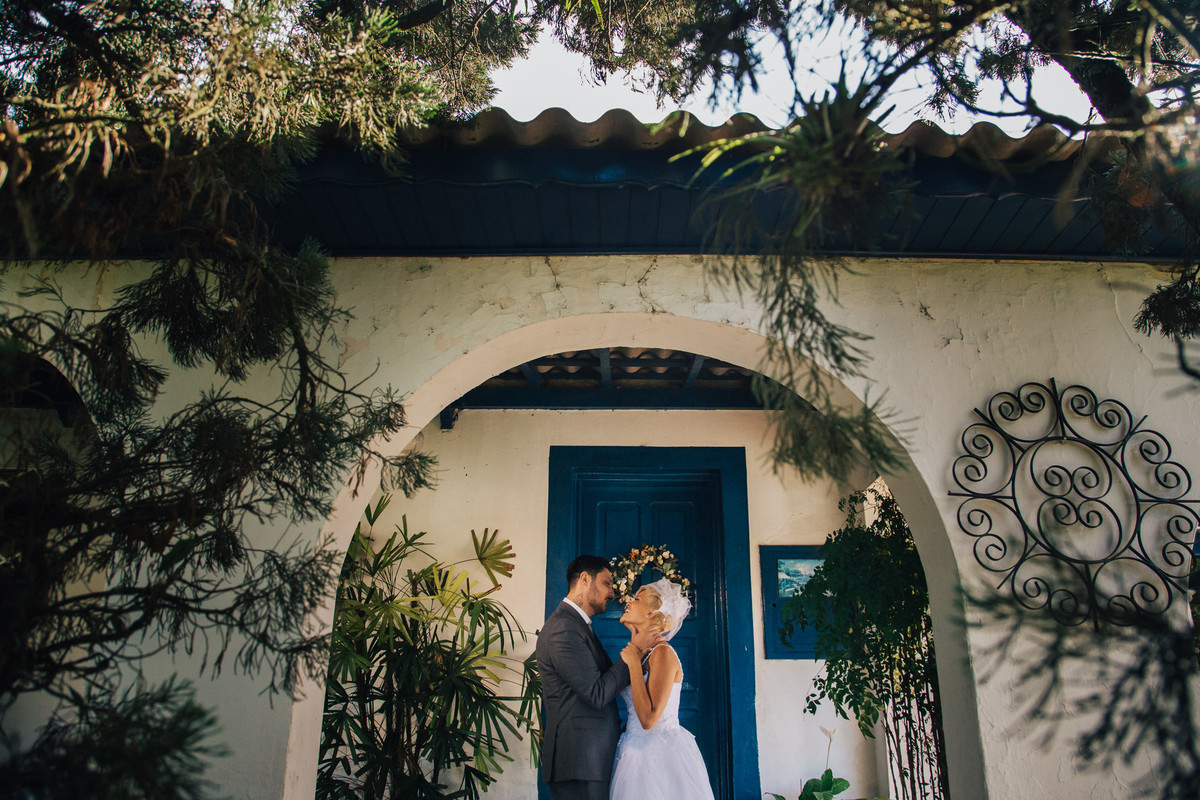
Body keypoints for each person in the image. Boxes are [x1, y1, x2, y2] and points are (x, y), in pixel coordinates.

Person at [537, 555, 664, 800]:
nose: (612, 593)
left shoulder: (577, 625)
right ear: (585, 579)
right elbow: (596, 694)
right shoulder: (564, 628)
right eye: (607, 583)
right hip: (579, 763)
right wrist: (635, 650)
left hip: (589, 762)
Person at [609, 578, 716, 800]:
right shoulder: (646, 653)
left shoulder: (662, 653)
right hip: (634, 752)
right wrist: (635, 639)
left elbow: (649, 720)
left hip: (659, 756)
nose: (628, 601)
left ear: (651, 613)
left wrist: (633, 664)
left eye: (636, 599)